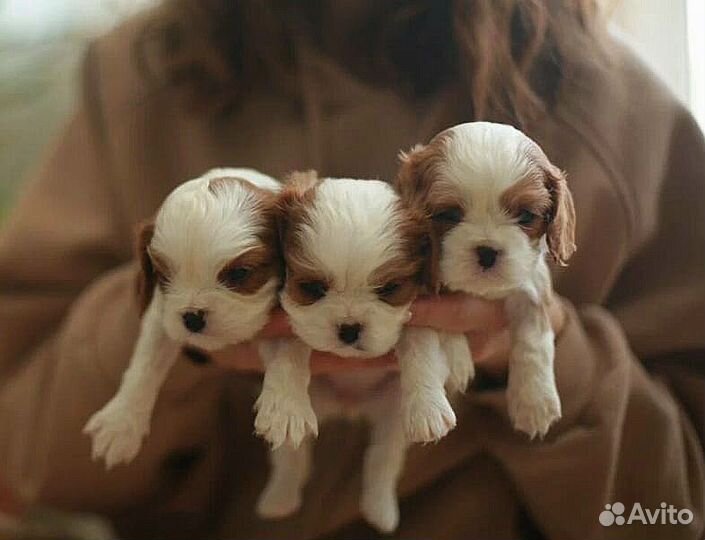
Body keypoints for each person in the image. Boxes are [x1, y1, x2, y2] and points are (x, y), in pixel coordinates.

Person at [0, 1, 703, 538]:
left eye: (525, 217)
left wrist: (540, 355)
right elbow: (22, 445)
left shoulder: (618, 109)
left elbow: (675, 510)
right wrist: (184, 317)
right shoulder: (135, 76)